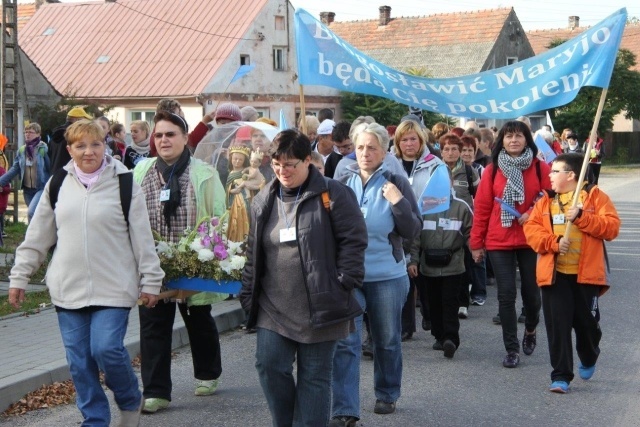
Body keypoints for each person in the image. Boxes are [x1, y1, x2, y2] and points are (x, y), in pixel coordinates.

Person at [7, 119, 163, 426]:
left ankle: (130, 397)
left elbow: (142, 238)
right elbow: (37, 237)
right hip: (69, 287)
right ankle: (94, 420)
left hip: (114, 286)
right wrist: (19, 277)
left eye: (95, 144)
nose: (89, 152)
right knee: (79, 363)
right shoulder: (57, 185)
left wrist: (151, 280)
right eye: (80, 146)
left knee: (105, 348)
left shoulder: (124, 183)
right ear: (70, 150)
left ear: (105, 145)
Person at [240, 129, 367, 427]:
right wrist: (248, 295)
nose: (282, 171)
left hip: (322, 306)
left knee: (315, 379)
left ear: (308, 161)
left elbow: (354, 239)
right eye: (277, 164)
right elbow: (252, 251)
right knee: (269, 366)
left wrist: (344, 280)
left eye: (290, 164)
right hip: (274, 307)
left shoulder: (332, 193)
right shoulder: (264, 199)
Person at [133, 111, 226, 413]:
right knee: (153, 328)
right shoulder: (140, 172)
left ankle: (208, 373)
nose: (163, 140)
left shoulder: (204, 174)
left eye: (170, 134)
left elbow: (217, 219)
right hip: (153, 267)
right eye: (158, 135)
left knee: (199, 322)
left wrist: (210, 261)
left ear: (185, 138)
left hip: (192, 265)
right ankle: (156, 391)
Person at [331, 122, 422, 423]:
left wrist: (398, 203)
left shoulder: (396, 179)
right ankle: (345, 408)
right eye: (359, 147)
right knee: (346, 342)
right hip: (349, 276)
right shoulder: (341, 181)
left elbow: (412, 229)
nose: (365, 153)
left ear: (384, 151)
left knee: (386, 339)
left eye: (371, 147)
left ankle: (386, 393)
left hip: (387, 276)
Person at [523, 153, 620, 393]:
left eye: (555, 171)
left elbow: (612, 228)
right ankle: (561, 376)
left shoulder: (595, 197)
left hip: (586, 276)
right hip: (554, 276)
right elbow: (532, 232)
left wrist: (582, 218)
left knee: (586, 326)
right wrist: (554, 242)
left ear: (571, 175)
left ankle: (589, 355)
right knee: (558, 326)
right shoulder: (545, 201)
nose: (550, 175)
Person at [470, 120, 551, 369]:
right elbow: (482, 208)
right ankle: (511, 348)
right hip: (499, 239)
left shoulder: (541, 168)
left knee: (531, 293)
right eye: (508, 137)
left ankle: (530, 329)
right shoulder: (493, 170)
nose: (513, 140)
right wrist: (476, 243)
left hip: (531, 238)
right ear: (501, 141)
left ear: (527, 139)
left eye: (518, 136)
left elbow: (553, 197)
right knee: (506, 295)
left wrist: (535, 210)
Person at [409, 169, 472, 358]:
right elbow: (415, 238)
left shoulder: (461, 207)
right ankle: (439, 335)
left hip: (453, 265)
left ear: (452, 183)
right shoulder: (422, 207)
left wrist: (477, 250)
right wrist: (413, 261)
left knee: (449, 302)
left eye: (447, 181)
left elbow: (471, 233)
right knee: (433, 303)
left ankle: (451, 339)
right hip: (428, 266)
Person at [392, 118, 443, 341]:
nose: (409, 144)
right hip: (400, 225)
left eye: (413, 139)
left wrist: (424, 206)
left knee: (426, 276)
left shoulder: (435, 164)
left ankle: (431, 314)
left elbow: (442, 195)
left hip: (428, 224)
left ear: (421, 141)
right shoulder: (390, 164)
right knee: (404, 276)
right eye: (404, 140)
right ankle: (406, 325)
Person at [0, 123, 51, 221]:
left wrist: (52, 184)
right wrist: (1, 181)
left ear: (38, 134)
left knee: (32, 212)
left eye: (31, 132)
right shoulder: (22, 150)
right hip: (27, 189)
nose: (27, 134)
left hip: (41, 187)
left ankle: (32, 235)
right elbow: (15, 169)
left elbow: (50, 168)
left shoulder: (43, 148)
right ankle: (35, 234)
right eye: (26, 132)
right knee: (36, 214)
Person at [49, 106, 93, 175]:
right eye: (84, 120)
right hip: (69, 175)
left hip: (55, 175)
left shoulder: (54, 135)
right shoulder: (74, 136)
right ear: (77, 120)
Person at [226, 145, 252, 243]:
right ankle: (235, 238)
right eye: (235, 159)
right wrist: (231, 191)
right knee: (234, 219)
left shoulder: (245, 172)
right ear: (231, 159)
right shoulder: (231, 173)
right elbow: (229, 188)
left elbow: (249, 186)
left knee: (243, 218)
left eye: (240, 160)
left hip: (244, 200)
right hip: (234, 200)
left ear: (244, 161)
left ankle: (244, 236)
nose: (237, 162)